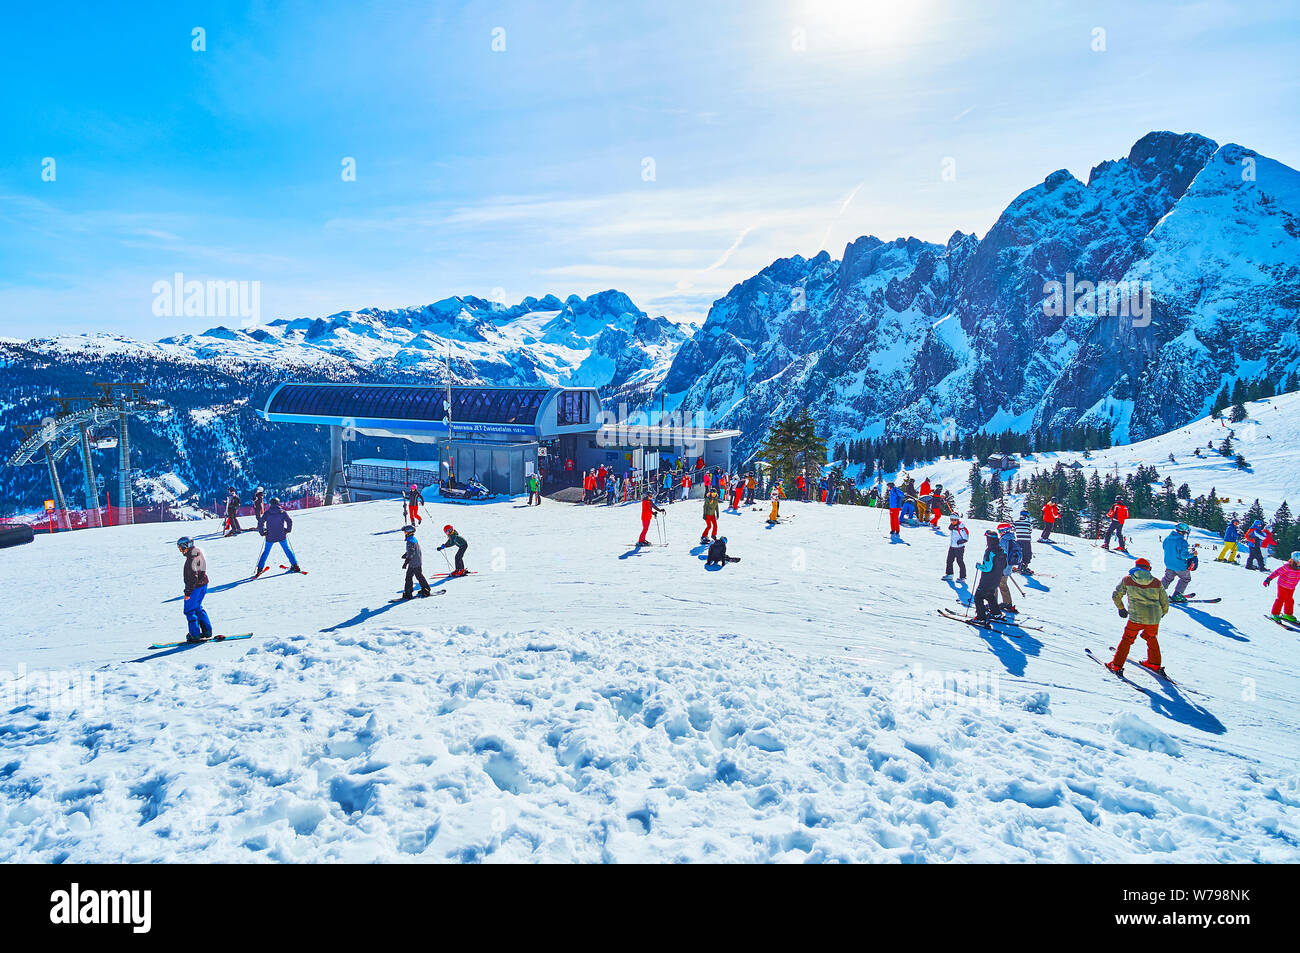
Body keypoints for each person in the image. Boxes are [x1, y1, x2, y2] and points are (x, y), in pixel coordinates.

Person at [1107, 557, 1170, 676]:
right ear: (1148, 569)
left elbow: (1116, 595)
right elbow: (1165, 601)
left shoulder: (1127, 579)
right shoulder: (1156, 582)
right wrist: (1162, 613)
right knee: (1151, 637)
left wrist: (1121, 608)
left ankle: (1116, 665)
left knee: (1127, 639)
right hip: (1154, 617)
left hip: (1136, 617)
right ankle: (1154, 663)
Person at [177, 536, 214, 643]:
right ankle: (207, 631)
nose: (180, 551)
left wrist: (188, 592)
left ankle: (195, 634)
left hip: (195, 588)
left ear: (186, 546)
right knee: (197, 608)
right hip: (202, 585)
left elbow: (193, 577)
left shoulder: (191, 558)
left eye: (181, 548)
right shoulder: (197, 552)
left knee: (189, 610)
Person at [255, 496, 300, 575]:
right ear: (278, 504)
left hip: (270, 536)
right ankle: (295, 565)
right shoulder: (282, 512)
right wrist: (288, 530)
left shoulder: (267, 513)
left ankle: (260, 568)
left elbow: (260, 523)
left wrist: (262, 532)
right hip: (281, 535)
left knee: (266, 552)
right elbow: (289, 521)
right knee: (287, 549)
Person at [972, 530, 1007, 624]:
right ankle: (996, 613)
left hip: (987, 579)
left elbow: (987, 568)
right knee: (989, 595)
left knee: (978, 597)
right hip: (996, 579)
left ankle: (981, 617)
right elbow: (1004, 565)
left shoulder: (990, 551)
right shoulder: (1001, 550)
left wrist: (979, 566)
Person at [1160, 522, 1194, 602]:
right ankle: (1177, 595)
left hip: (1169, 563)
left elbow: (1164, 547)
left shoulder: (1167, 538)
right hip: (1179, 565)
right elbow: (1184, 556)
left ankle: (1157, 593)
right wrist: (1192, 554)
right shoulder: (1182, 541)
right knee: (1186, 578)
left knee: (1167, 578)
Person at [1264, 552, 1300, 623]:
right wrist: (1268, 579)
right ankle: (1274, 614)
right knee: (1281, 599)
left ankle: (1288, 614)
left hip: (1291, 587)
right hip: (1282, 585)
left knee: (1289, 600)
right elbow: (1277, 572)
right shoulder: (1287, 566)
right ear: (1295, 560)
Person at [400, 524, 432, 598]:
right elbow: (413, 550)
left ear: (409, 532)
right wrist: (406, 554)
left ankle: (408, 593)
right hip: (417, 561)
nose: (404, 533)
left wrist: (406, 562)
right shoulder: (413, 539)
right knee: (419, 575)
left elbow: (411, 552)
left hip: (413, 563)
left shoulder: (410, 541)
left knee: (408, 577)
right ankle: (426, 589)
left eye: (405, 532)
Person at [996, 522, 1021, 611]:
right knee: (1003, 585)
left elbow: (1000, 553)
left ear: (1004, 530)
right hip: (1008, 567)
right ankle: (1007, 603)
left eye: (999, 531)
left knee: (995, 584)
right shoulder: (1012, 538)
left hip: (1001, 567)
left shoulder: (1003, 540)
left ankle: (993, 604)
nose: (999, 533)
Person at [943, 516, 969, 580]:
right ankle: (949, 574)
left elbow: (966, 538)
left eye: (954, 520)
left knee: (959, 561)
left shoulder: (960, 528)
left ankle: (962, 577)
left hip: (959, 548)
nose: (952, 521)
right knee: (949, 560)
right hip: (952, 546)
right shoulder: (953, 526)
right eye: (951, 520)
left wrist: (959, 542)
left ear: (957, 520)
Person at [1012, 509, 1035, 574]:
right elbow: (1030, 531)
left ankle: (1020, 565)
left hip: (1019, 540)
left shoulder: (1016, 522)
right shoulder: (1029, 523)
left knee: (1020, 553)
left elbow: (1013, 529)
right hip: (1027, 541)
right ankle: (1024, 566)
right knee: (1027, 553)